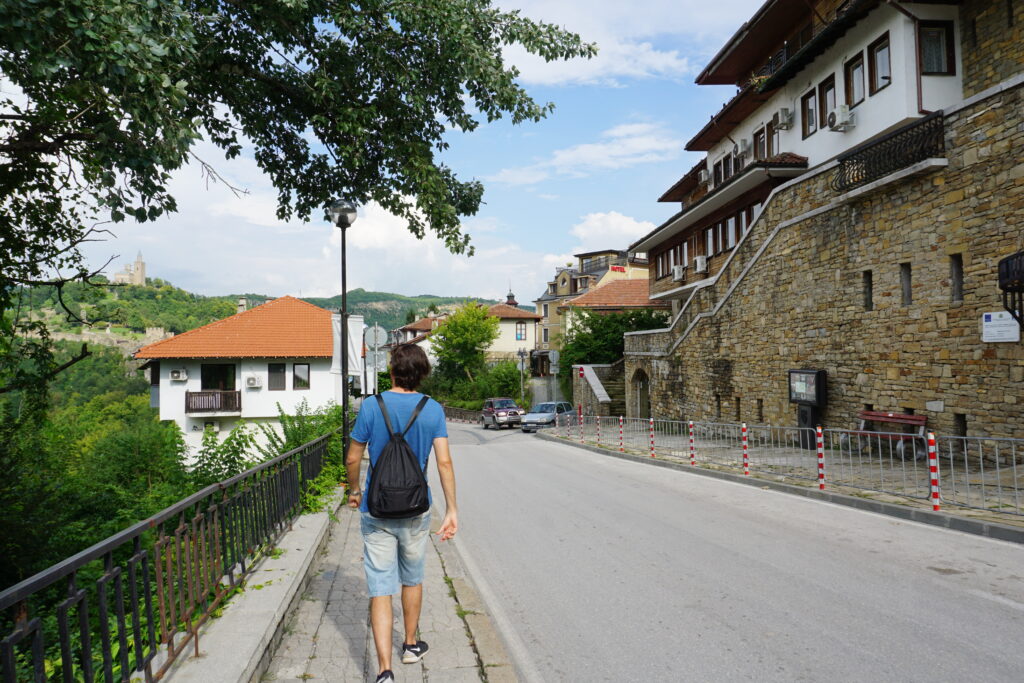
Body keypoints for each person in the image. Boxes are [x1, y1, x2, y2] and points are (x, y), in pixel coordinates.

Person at [345, 344, 458, 683]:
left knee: (381, 587)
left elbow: (353, 458)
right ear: (421, 374)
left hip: (376, 510)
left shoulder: (370, 406)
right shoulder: (433, 409)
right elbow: (444, 462)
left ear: (391, 370)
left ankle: (384, 671)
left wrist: (354, 490)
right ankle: (410, 646)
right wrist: (451, 509)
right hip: (415, 509)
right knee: (412, 576)